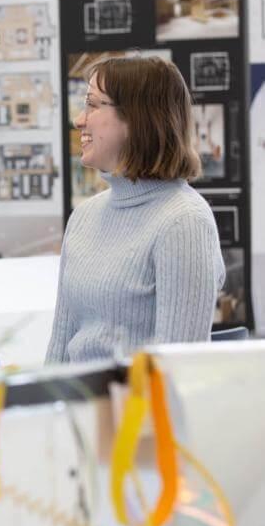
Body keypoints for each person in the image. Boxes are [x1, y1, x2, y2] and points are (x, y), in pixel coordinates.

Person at [46, 56, 225, 364]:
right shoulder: (85, 216)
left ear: (136, 119)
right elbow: (61, 350)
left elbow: (177, 371)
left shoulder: (184, 221)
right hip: (83, 406)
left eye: (92, 104)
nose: (79, 120)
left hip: (135, 410)